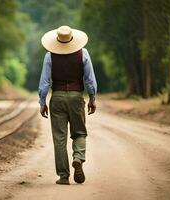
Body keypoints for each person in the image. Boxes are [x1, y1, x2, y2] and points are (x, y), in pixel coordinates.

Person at [38, 25, 97, 185]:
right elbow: (90, 80)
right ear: (72, 39)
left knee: (59, 139)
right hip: (77, 97)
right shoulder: (83, 53)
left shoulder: (49, 56)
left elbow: (44, 83)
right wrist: (92, 98)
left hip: (56, 98)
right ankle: (78, 157)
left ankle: (63, 176)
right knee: (79, 133)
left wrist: (42, 102)